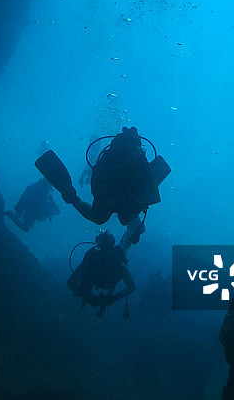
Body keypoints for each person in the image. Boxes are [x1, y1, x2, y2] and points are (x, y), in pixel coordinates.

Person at [35, 126, 170, 250]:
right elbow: (149, 189)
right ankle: (122, 249)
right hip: (117, 197)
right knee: (115, 220)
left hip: (117, 197)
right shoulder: (135, 161)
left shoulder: (126, 160)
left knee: (106, 219)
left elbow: (99, 179)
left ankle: (122, 249)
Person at [67, 231, 135, 317]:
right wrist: (113, 298)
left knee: (124, 244)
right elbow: (131, 287)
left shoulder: (114, 260)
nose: (104, 251)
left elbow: (71, 282)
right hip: (105, 280)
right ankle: (131, 230)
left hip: (102, 280)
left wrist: (88, 297)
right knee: (124, 244)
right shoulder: (93, 259)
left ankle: (130, 230)